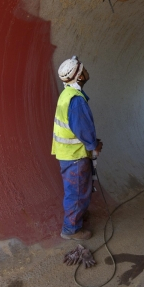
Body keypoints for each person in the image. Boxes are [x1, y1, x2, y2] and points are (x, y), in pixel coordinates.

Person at [52, 55, 103, 240]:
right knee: (77, 192)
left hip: (68, 154)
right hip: (75, 156)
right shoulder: (76, 100)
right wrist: (94, 145)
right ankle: (71, 229)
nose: (87, 71)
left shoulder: (67, 94)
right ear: (79, 77)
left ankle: (77, 217)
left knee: (78, 190)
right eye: (84, 69)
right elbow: (82, 127)